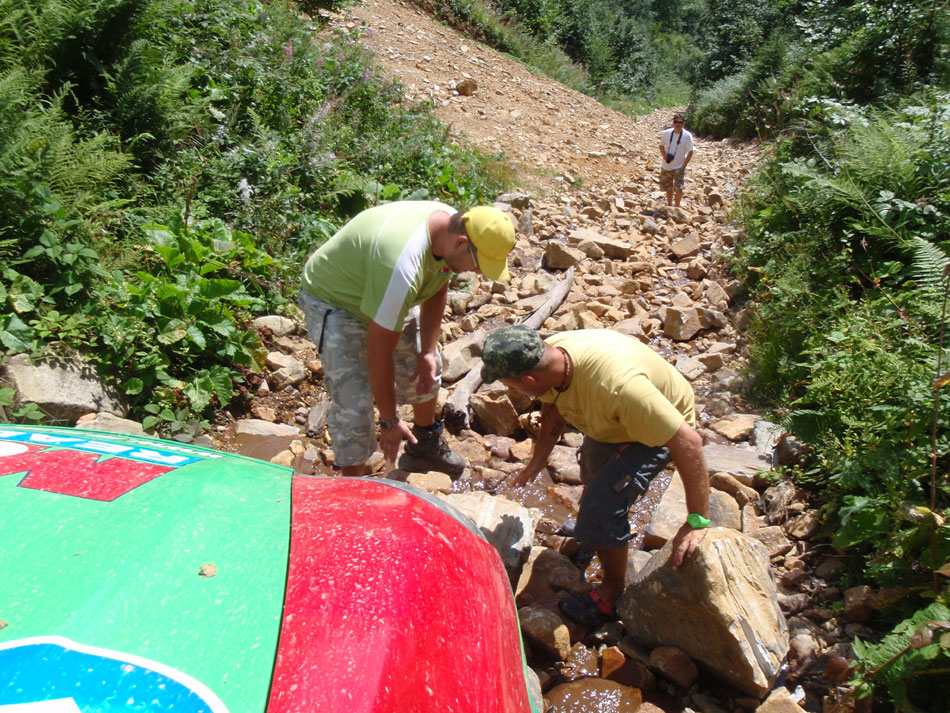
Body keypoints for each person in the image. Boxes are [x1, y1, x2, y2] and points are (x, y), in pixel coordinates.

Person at [481, 325, 710, 628]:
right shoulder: (552, 357)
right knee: (592, 472)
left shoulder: (619, 388)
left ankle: (613, 591)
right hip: (614, 421)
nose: (513, 392)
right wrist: (538, 460)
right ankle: (598, 530)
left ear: (530, 380)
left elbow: (689, 442)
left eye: (511, 386)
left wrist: (696, 521)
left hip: (657, 426)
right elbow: (554, 406)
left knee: (601, 505)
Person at [300, 201, 516, 478]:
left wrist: (426, 351)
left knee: (428, 364)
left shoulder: (451, 231)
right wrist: (389, 421)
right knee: (354, 403)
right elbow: (379, 351)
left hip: (383, 289)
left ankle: (423, 445)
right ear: (461, 243)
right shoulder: (403, 262)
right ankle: (353, 483)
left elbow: (437, 287)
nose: (479, 273)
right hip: (337, 300)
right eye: (479, 264)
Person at [658, 112, 694, 207]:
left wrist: (684, 165)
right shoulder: (666, 133)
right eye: (675, 122)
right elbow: (661, 146)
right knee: (668, 187)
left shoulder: (687, 136)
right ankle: (670, 205)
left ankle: (677, 207)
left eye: (680, 122)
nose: (678, 124)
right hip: (666, 165)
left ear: (683, 124)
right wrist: (664, 155)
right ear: (673, 123)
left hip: (679, 166)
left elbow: (690, 152)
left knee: (679, 188)